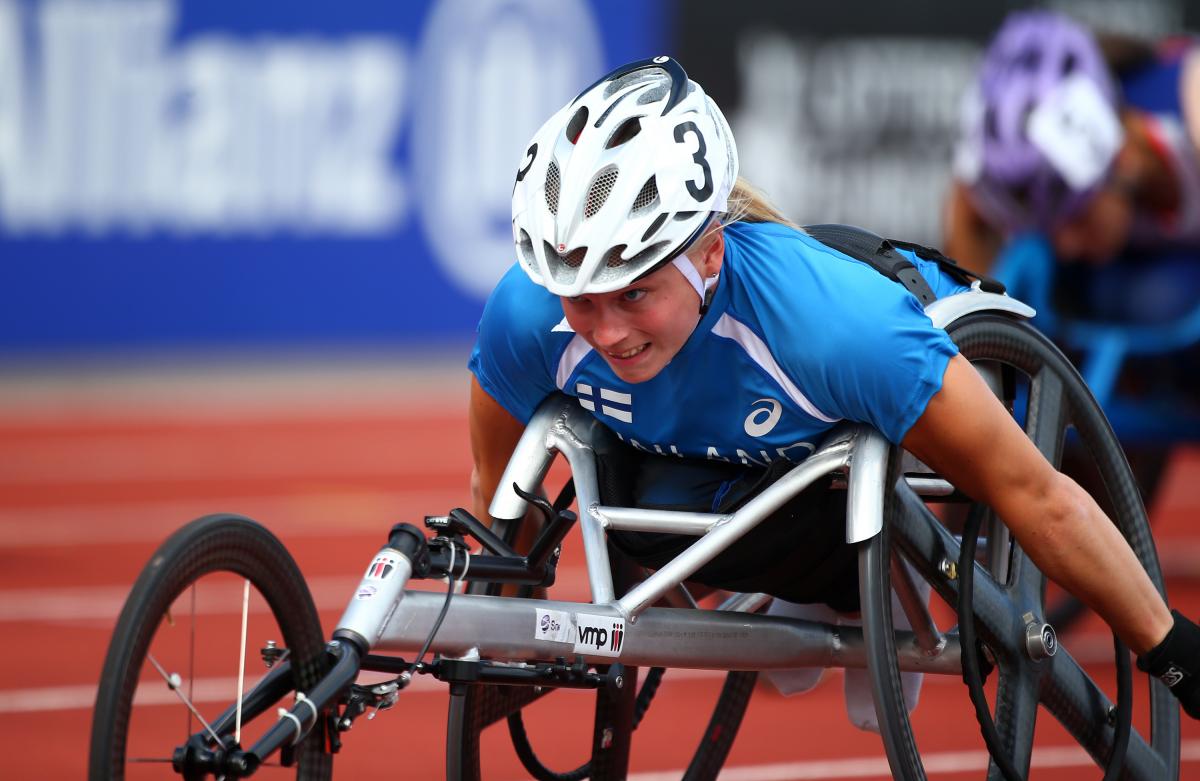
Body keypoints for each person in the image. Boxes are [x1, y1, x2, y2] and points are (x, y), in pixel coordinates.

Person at [466, 56, 1200, 724]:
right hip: (746, 455)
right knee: (639, 508)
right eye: (582, 299)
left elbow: (1039, 496)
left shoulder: (836, 331)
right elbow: (498, 498)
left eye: (633, 295)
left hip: (906, 380)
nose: (607, 332)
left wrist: (1171, 649)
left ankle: (874, 571)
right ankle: (830, 574)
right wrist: (502, 644)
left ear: (709, 253)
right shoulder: (527, 318)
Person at [945, 10, 1200, 325]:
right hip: (1142, 282)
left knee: (1160, 297)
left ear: (1122, 158)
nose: (1067, 246)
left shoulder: (1188, 97)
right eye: (1051, 228)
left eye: (1077, 216)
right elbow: (965, 199)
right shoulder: (1067, 186)